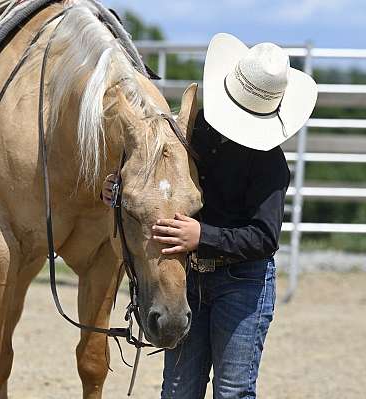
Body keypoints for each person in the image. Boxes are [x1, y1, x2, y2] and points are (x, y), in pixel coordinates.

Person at [103, 33, 317, 399]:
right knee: (178, 390)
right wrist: (119, 187)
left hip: (242, 280)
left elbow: (265, 237)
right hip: (195, 278)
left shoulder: (268, 163)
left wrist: (202, 237)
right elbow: (159, 178)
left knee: (232, 390)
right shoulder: (193, 132)